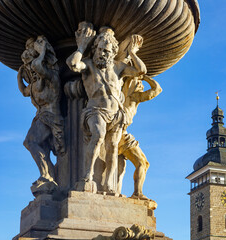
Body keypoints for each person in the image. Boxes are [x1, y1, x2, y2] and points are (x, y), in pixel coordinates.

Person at [66, 22, 146, 193]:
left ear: (113, 53)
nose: (103, 54)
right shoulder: (88, 64)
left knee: (112, 148)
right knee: (98, 135)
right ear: (95, 49)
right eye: (100, 49)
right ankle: (87, 176)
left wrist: (132, 52)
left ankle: (110, 185)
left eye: (107, 51)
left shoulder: (118, 67)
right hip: (95, 111)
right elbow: (73, 64)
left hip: (116, 114)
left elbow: (141, 71)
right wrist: (81, 46)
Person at [17, 36, 65, 196]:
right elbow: (24, 91)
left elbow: (38, 66)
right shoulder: (35, 84)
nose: (30, 68)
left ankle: (47, 175)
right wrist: (19, 75)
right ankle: (48, 175)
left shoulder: (51, 77)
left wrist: (42, 50)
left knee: (31, 142)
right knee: (33, 143)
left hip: (51, 116)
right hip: (42, 116)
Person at [117, 75, 162, 199]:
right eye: (139, 83)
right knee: (142, 163)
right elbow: (157, 89)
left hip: (121, 133)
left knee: (144, 164)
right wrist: (146, 77)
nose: (142, 85)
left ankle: (137, 192)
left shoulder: (125, 96)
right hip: (121, 135)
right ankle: (137, 193)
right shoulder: (134, 97)